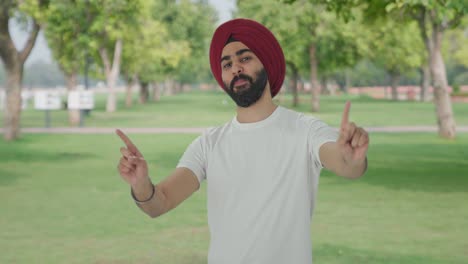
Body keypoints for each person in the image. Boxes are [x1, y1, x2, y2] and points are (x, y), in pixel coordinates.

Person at [116, 18, 369, 264]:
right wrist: (141, 184)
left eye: (244, 58)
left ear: (266, 64)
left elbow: (344, 163)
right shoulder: (208, 144)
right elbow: (159, 203)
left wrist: (350, 158)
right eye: (227, 64)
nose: (235, 68)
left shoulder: (306, 130)